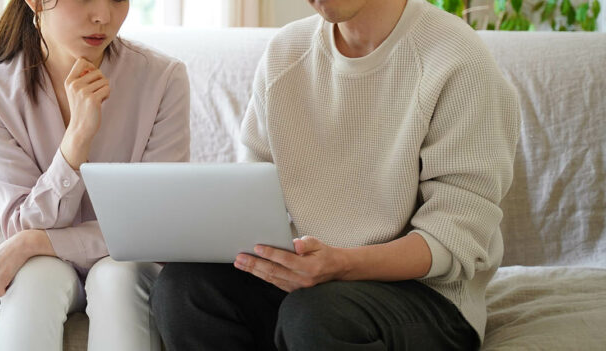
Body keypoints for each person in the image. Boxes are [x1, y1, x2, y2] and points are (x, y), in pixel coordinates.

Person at [151, 0, 520, 349]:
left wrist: (341, 265)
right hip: (307, 286)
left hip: (426, 295)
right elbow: (254, 195)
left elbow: (456, 238)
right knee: (183, 287)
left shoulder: (457, 59)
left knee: (315, 314)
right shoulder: (286, 53)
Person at [0, 0, 190, 350]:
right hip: (45, 266)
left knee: (115, 276)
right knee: (36, 276)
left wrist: (36, 241)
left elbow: (154, 226)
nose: (103, 16)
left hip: (130, 264)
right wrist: (77, 139)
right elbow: (23, 224)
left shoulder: (163, 78)